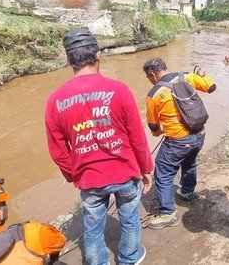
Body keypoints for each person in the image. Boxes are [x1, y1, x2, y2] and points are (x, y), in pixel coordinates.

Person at [45, 29, 154, 264]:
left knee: (93, 227)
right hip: (125, 173)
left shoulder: (55, 100)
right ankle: (129, 257)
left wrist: (75, 174)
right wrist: (146, 170)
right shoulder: (119, 90)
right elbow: (137, 137)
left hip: (89, 178)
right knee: (130, 218)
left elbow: (58, 151)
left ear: (68, 60)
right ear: (98, 55)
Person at [142, 58, 216, 229]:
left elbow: (153, 125)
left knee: (163, 173)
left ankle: (167, 214)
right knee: (190, 163)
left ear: (152, 74)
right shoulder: (187, 77)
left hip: (177, 141)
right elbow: (211, 87)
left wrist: (158, 132)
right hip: (199, 134)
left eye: (148, 77)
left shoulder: (154, 94)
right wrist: (202, 74)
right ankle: (188, 192)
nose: (150, 80)